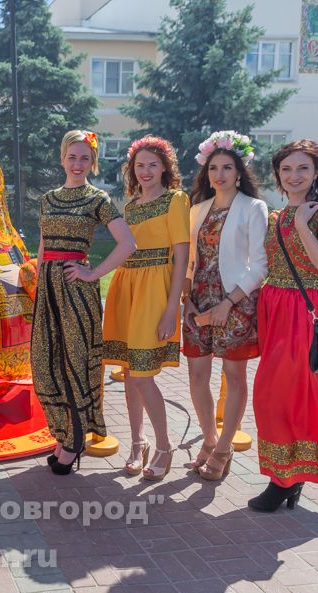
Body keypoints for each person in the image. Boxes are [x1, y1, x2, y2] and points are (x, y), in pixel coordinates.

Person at [249, 139, 318, 512]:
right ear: (277, 174)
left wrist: (303, 226)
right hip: (274, 309)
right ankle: (287, 474)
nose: (294, 176)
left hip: (304, 311)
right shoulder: (275, 216)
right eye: (286, 169)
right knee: (271, 394)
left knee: (286, 395)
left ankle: (285, 481)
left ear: (317, 172)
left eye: (303, 168)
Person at [32, 130, 136, 475]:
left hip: (76, 289)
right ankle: (63, 434)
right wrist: (38, 283)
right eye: (72, 157)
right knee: (47, 362)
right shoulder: (48, 199)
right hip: (48, 288)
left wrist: (93, 274)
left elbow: (127, 244)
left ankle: (75, 441)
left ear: (93, 162)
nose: (78, 164)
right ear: (63, 158)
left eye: (85, 158)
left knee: (75, 362)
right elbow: (43, 246)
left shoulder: (97, 198)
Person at [103, 135, 190, 481]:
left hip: (155, 290)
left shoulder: (176, 200)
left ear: (165, 168)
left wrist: (173, 308)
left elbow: (182, 257)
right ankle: (138, 443)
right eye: (140, 165)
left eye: (153, 164)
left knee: (141, 374)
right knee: (128, 371)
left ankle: (164, 445)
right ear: (132, 169)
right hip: (126, 286)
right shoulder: (131, 207)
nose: (146, 171)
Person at [182, 131, 268, 481]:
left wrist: (228, 303)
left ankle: (224, 448)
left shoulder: (253, 208)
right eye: (213, 168)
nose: (219, 174)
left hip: (237, 302)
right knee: (196, 375)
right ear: (206, 172)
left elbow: (260, 265)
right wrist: (186, 298)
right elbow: (190, 260)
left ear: (239, 171)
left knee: (234, 376)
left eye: (227, 167)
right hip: (199, 299)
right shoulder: (197, 209)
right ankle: (209, 439)